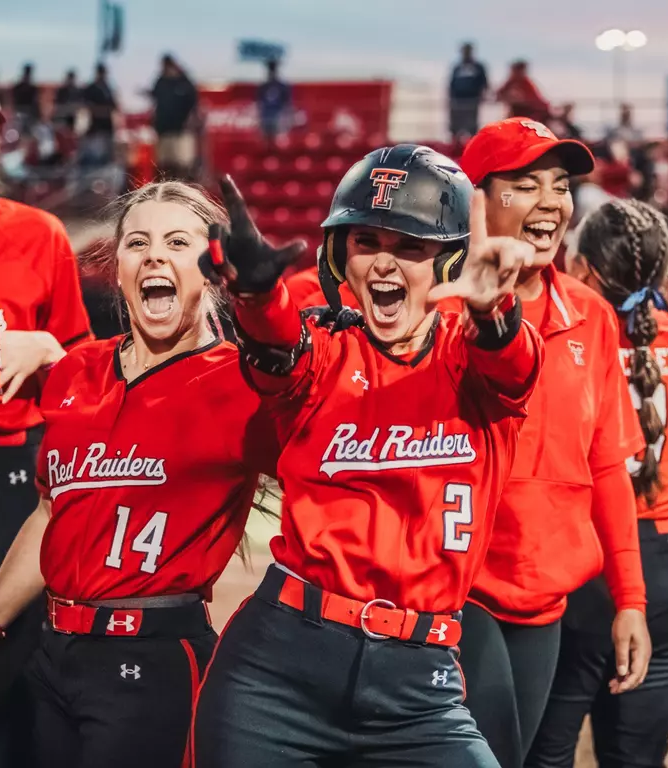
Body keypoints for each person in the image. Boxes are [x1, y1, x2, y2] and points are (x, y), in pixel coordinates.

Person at [193, 145, 544, 767]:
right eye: (365, 241)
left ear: (452, 262)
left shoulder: (476, 361)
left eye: (411, 246)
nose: (384, 262)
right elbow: (279, 348)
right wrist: (255, 293)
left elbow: (512, 361)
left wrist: (495, 311)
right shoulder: (326, 350)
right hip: (277, 672)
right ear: (338, 257)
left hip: (421, 688)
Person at [0, 180, 278, 768]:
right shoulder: (77, 372)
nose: (154, 255)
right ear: (117, 266)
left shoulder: (243, 383)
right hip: (52, 657)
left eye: (178, 241)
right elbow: (52, 512)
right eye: (137, 242)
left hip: (152, 660)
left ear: (214, 266)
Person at [455, 118, 650, 767]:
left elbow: (607, 465)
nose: (550, 203)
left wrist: (631, 601)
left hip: (543, 605)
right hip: (459, 597)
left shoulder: (590, 316)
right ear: (475, 201)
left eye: (560, 186)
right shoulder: (442, 312)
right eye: (526, 185)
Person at [530, 202, 668, 768]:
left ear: (582, 270)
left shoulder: (570, 339)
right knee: (638, 756)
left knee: (546, 748)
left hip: (586, 556)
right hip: (666, 562)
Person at [0, 91, 93, 768]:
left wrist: (49, 354)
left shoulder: (38, 234)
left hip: (11, 466)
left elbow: (85, 370)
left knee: (12, 657)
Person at [149, 54, 199, 180]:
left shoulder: (184, 82)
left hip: (181, 131)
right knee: (165, 163)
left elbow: (194, 105)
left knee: (182, 163)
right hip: (164, 129)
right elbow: (154, 100)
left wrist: (190, 121)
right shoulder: (161, 81)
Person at [449, 43, 489, 143]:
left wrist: (483, 95)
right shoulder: (457, 67)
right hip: (457, 101)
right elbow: (451, 83)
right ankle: (455, 146)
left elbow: (484, 82)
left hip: (472, 101)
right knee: (456, 126)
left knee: (471, 127)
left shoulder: (478, 67)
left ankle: (472, 146)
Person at [81, 63, 117, 166]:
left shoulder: (108, 88)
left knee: (107, 157)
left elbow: (113, 106)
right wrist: (102, 111)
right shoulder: (91, 88)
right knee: (94, 158)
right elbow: (89, 107)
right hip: (95, 127)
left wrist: (106, 110)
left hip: (107, 127)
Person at [257, 59, 291, 141]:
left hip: (278, 118)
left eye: (273, 69)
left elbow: (287, 104)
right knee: (265, 141)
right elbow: (259, 104)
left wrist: (285, 120)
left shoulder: (282, 86)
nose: (271, 72)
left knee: (278, 140)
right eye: (270, 69)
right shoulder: (263, 86)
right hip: (265, 118)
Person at [53, 70, 83, 134]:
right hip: (62, 118)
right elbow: (57, 104)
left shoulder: (77, 91)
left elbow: (80, 104)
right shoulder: (62, 91)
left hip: (73, 118)